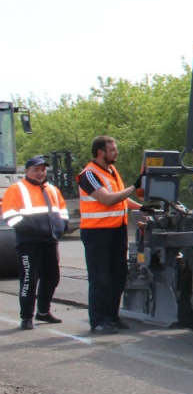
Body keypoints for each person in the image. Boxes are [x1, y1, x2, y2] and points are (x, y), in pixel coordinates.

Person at [77, 135, 140, 335]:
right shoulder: (88, 174)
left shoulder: (112, 171)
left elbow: (121, 200)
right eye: (112, 150)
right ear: (100, 153)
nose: (116, 152)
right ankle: (98, 320)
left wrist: (144, 209)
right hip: (97, 232)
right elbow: (107, 199)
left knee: (118, 275)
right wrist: (134, 187)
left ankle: (112, 316)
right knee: (100, 278)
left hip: (116, 230)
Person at [2, 156, 69, 329]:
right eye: (36, 170)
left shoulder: (53, 190)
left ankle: (43, 312)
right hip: (29, 243)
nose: (40, 173)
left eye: (43, 170)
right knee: (28, 281)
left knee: (52, 278)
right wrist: (28, 228)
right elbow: (9, 214)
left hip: (50, 241)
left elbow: (62, 211)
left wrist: (62, 226)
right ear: (27, 171)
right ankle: (26, 317)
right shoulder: (16, 189)